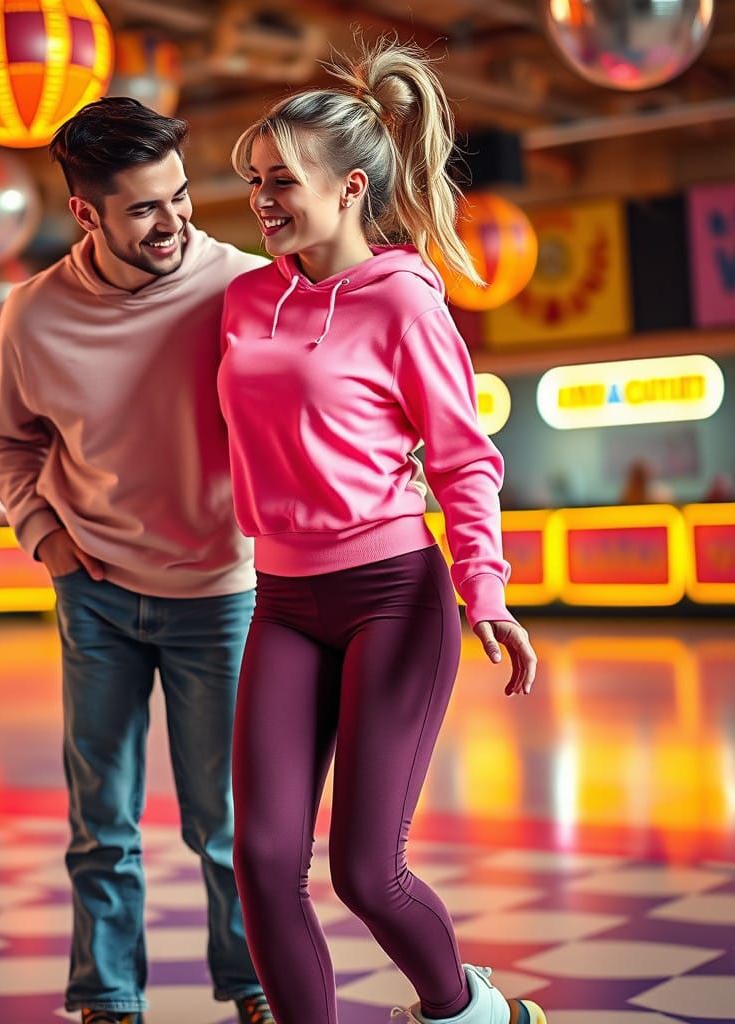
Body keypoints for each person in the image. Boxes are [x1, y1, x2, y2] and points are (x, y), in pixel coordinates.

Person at [216, 41, 542, 1024]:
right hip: (281, 599)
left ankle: (469, 1011)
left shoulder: (402, 298)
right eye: (255, 182)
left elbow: (462, 456)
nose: (263, 200)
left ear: (351, 187)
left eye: (283, 182)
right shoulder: (242, 297)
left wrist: (484, 588)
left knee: (365, 869)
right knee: (264, 862)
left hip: (392, 596)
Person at [0, 98, 273, 1024]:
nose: (175, 223)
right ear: (86, 214)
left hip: (221, 591)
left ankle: (256, 987)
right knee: (101, 826)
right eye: (144, 209)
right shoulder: (32, 314)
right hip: (93, 591)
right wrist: (47, 541)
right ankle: (108, 998)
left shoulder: (247, 286)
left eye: (181, 197)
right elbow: (4, 440)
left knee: (228, 826)